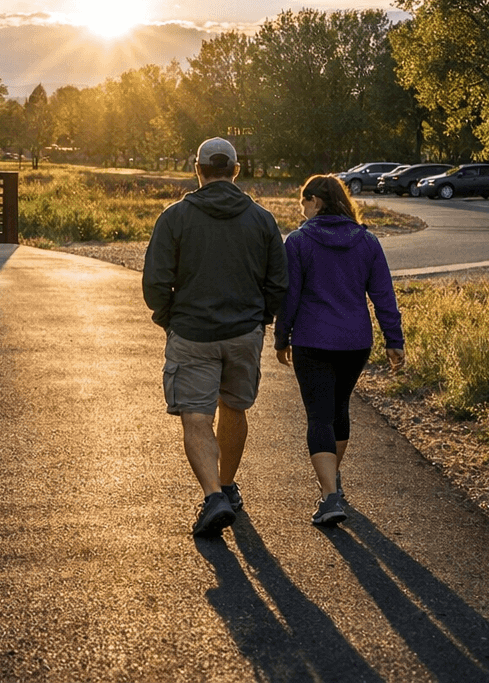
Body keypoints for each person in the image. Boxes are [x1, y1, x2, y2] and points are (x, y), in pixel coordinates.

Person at [143, 138, 288, 538]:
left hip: (192, 333)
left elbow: (155, 282)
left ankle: (213, 496)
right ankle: (226, 485)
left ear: (198, 169)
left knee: (196, 415)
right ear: (236, 171)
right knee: (235, 407)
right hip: (243, 333)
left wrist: (171, 320)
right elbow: (279, 282)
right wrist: (261, 321)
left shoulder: (174, 218)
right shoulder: (262, 219)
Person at [275, 174, 405, 528]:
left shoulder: (299, 242)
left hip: (312, 339)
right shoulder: (368, 241)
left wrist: (280, 336)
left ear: (315, 201)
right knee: (339, 409)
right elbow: (383, 296)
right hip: (354, 342)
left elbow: (290, 297)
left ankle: (329, 495)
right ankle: (333, 482)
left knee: (318, 416)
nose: (301, 210)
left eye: (303, 202)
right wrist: (394, 340)